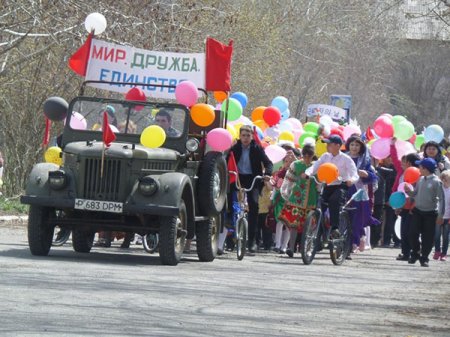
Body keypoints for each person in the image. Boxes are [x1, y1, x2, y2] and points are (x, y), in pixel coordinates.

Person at [228, 125, 273, 253]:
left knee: (253, 205)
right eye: (243, 136)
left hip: (253, 179)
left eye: (248, 136)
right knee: (229, 200)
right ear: (240, 136)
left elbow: (268, 163)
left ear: (252, 137)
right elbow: (226, 160)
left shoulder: (257, 148)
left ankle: (252, 241)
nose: (246, 138)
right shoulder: (234, 148)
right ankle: (230, 234)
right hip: (238, 177)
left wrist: (267, 174)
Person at [305, 135, 359, 238]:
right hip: (326, 185)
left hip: (341, 185)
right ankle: (319, 235)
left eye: (330, 144)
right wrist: (307, 173)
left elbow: (354, 173)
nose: (327, 146)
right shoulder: (325, 156)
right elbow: (314, 167)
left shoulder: (346, 158)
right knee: (319, 205)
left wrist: (351, 180)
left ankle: (335, 228)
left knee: (334, 200)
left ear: (338, 146)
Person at [405, 158, 445, 267]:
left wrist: (441, 215)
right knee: (412, 233)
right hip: (417, 211)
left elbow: (442, 199)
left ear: (426, 168)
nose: (418, 169)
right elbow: (415, 193)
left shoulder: (437, 182)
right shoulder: (420, 179)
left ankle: (424, 257)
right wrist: (409, 192)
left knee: (428, 237)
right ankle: (416, 252)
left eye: (420, 167)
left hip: (431, 213)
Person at [279, 144, 318, 258]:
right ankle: (291, 248)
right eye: (305, 155)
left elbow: (321, 181)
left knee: (310, 226)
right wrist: (286, 193)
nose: (306, 157)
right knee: (294, 225)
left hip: (311, 200)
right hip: (296, 199)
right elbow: (288, 180)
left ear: (312, 155)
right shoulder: (296, 165)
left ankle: (306, 248)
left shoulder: (316, 166)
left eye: (309, 155)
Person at [344, 135, 379, 253]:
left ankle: (354, 242)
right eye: (352, 144)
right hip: (344, 189)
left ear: (361, 147)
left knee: (356, 217)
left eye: (357, 145)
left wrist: (367, 174)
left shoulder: (364, 160)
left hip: (358, 192)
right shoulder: (343, 157)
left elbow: (374, 177)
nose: (354, 147)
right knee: (345, 216)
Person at [433, 170, 450, 261]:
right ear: (442, 179)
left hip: (448, 217)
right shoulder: (439, 189)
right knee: (437, 235)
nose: (448, 182)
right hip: (438, 216)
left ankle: (444, 253)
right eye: (447, 180)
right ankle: (437, 251)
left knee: (446, 236)